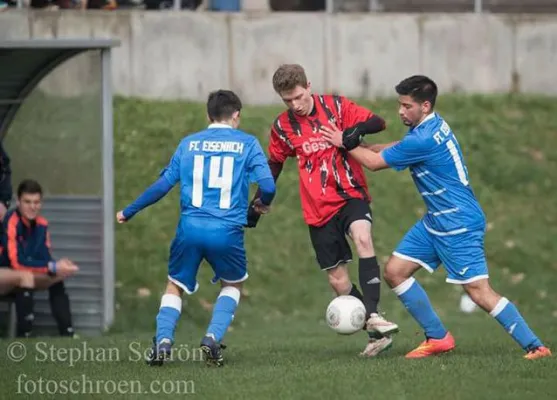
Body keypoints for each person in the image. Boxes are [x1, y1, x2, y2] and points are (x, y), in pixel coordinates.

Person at [320, 75, 552, 360]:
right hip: (436, 221)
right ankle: (438, 337)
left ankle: (536, 346)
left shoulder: (424, 138)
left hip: (458, 223)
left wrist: (345, 142)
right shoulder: (429, 126)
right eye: (399, 105)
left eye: (406, 106)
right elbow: (395, 148)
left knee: (479, 291)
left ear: (425, 105)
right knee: (395, 272)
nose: (401, 111)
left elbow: (376, 164)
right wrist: (362, 144)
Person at [247, 64, 398, 357]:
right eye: (287, 100)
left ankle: (376, 313)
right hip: (317, 207)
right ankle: (374, 328)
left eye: (299, 96)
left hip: (350, 194)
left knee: (363, 237)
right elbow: (275, 163)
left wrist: (351, 132)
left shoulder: (336, 107)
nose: (295, 105)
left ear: (309, 87)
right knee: (337, 281)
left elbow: (378, 122)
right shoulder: (282, 127)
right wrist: (261, 200)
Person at [117, 90, 276, 367]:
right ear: (236, 115)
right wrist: (260, 205)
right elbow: (269, 186)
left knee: (175, 285)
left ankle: (163, 341)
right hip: (226, 232)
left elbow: (162, 186)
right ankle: (213, 337)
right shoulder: (248, 144)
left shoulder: (188, 144)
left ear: (208, 115)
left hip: (189, 229)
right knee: (233, 283)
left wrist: (128, 211)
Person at [1, 179, 79, 338]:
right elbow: (16, 262)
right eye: (27, 202)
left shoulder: (42, 224)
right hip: (4, 272)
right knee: (26, 276)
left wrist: (59, 267)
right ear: (18, 202)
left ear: (41, 203)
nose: (32, 207)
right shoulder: (11, 220)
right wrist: (52, 266)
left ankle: (68, 334)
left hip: (20, 273)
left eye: (36, 202)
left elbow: (45, 258)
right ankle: (24, 337)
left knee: (57, 276)